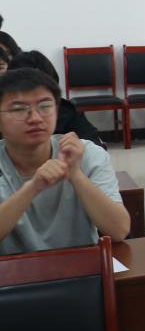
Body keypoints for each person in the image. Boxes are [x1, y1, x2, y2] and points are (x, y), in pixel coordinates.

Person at [0, 68, 130, 255]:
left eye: (45, 106)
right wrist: (33, 187)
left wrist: (75, 174)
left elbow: (119, 230)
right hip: (12, 271)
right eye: (19, 109)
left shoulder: (85, 154)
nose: (35, 118)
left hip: (80, 267)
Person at [8, 51, 105, 148]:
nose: (35, 118)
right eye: (20, 108)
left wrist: (79, 151)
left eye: (43, 105)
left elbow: (96, 147)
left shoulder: (67, 111)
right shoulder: (6, 115)